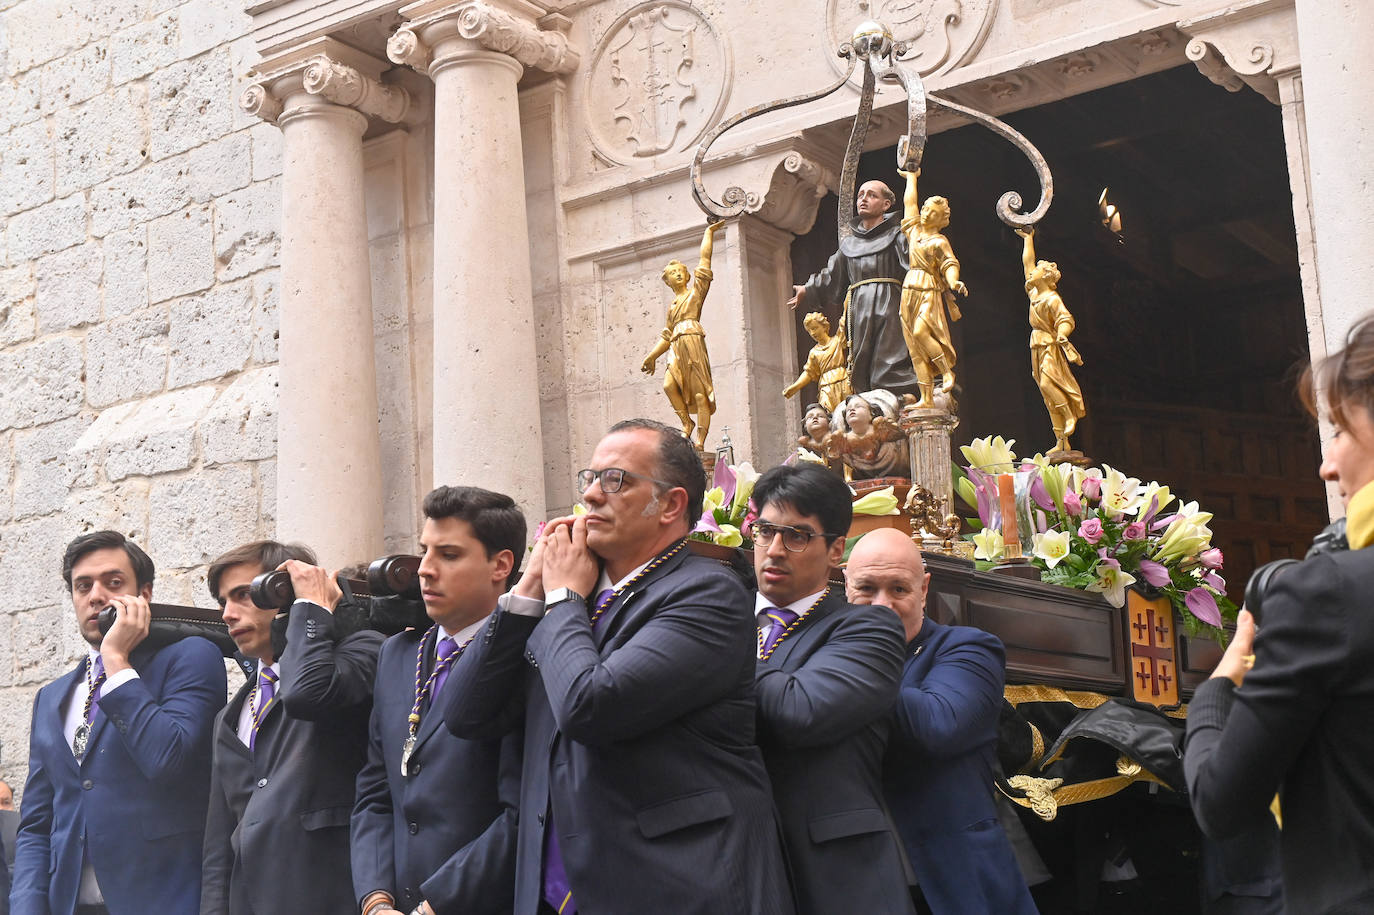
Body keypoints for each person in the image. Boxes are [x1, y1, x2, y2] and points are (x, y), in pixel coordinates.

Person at [444, 418, 793, 914]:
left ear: (671, 504)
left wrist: (563, 597)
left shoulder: (706, 594)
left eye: (616, 480)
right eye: (590, 478)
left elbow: (591, 707)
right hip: (560, 891)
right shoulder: (569, 600)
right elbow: (463, 714)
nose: (591, 495)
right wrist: (527, 592)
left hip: (679, 885)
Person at [1185, 314, 1374, 913]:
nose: (1327, 466)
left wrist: (1219, 687)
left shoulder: (1329, 594)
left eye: (1339, 431)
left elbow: (1221, 800)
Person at [11, 530, 227, 915]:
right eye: (83, 586)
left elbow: (168, 760)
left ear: (143, 595)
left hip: (164, 901)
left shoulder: (191, 657)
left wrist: (116, 658)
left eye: (113, 583)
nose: (96, 596)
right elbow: (37, 824)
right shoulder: (51, 698)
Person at [352, 486, 523, 915]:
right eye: (425, 551)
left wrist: (437, 905)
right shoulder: (397, 654)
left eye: (449, 555)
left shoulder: (525, 656)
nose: (425, 570)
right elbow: (375, 791)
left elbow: (523, 808)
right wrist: (375, 899)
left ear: (500, 565)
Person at [847, 528, 1036, 915]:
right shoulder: (828, 652)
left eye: (898, 589)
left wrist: (854, 662)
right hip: (860, 878)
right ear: (845, 588)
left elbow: (939, 727)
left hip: (954, 879)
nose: (882, 605)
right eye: (867, 588)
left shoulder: (968, 647)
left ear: (924, 588)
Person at [750, 464, 911, 914]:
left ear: (836, 549)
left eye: (797, 536)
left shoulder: (867, 628)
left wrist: (717, 643)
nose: (774, 550)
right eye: (765, 531)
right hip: (735, 864)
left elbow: (802, 712)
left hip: (838, 875)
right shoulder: (728, 615)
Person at [200, 540, 384, 915]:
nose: (228, 614)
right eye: (223, 602)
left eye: (243, 595)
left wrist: (312, 608)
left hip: (334, 897)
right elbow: (219, 844)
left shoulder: (362, 653)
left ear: (284, 594)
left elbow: (308, 693)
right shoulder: (229, 715)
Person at [790, 179, 920, 398]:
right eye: (861, 195)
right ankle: (869, 399)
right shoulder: (849, 245)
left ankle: (898, 396)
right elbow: (832, 275)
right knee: (862, 357)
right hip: (859, 308)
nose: (864, 199)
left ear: (886, 204)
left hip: (890, 304)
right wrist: (809, 288)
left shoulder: (898, 235)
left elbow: (916, 263)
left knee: (889, 355)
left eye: (872, 195)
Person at [641, 221, 724, 449]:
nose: (677, 274)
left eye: (680, 271)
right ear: (667, 282)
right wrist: (651, 357)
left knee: (700, 395)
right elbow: (667, 336)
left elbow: (704, 260)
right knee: (669, 385)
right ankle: (686, 422)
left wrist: (709, 234)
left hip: (692, 341)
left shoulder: (695, 294)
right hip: (677, 347)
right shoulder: (672, 307)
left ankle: (700, 440)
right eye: (672, 273)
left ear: (687, 276)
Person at [897, 168, 968, 409]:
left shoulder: (939, 241)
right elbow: (910, 203)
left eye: (933, 213)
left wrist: (953, 280)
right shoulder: (914, 231)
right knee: (915, 349)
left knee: (920, 332)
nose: (926, 214)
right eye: (926, 209)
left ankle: (947, 372)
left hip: (927, 287)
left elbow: (950, 263)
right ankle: (926, 398)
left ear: (941, 220)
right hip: (909, 289)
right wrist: (911, 179)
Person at [1017, 227, 1085, 453]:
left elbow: (1065, 319)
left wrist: (1062, 333)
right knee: (1046, 395)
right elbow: (1028, 263)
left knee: (1049, 383)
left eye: (1037, 271)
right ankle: (1061, 441)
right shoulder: (1035, 294)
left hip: (1048, 343)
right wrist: (1028, 239)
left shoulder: (1051, 298)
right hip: (1036, 343)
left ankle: (1068, 415)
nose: (1032, 272)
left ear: (1045, 277)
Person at [829, 391, 910, 480]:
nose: (852, 410)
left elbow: (899, 433)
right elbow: (833, 454)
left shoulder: (879, 427)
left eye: (858, 406)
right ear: (846, 420)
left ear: (871, 414)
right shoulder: (845, 439)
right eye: (848, 410)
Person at [784, 311, 853, 413]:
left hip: (843, 381)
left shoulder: (837, 341)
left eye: (815, 328)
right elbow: (809, 373)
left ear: (824, 327)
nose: (812, 333)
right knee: (827, 414)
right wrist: (795, 387)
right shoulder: (814, 352)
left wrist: (847, 301)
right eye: (809, 331)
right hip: (826, 387)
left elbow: (844, 322)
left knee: (847, 410)